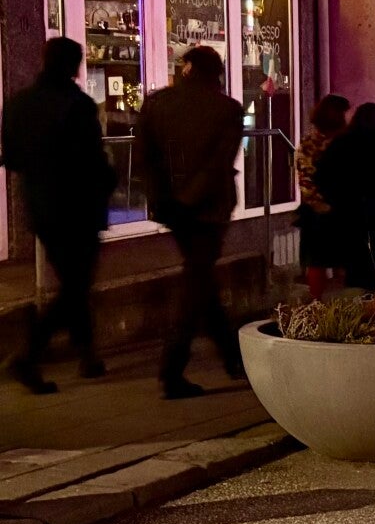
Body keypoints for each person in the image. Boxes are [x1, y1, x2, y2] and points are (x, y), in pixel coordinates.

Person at [0, 37, 117, 393]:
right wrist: (109, 182)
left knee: (75, 284)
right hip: (79, 209)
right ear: (73, 66)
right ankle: (28, 357)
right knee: (75, 286)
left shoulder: (18, 104)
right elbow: (93, 161)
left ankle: (88, 355)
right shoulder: (78, 106)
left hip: (43, 208)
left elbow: (13, 158)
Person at [136, 44, 245, 399]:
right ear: (216, 73)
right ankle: (172, 370)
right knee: (197, 282)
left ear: (186, 70)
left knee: (200, 279)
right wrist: (188, 200)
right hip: (209, 209)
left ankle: (232, 358)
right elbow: (217, 164)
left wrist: (164, 200)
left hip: (174, 209)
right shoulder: (228, 109)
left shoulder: (156, 103)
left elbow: (145, 160)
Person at [317, 101, 375, 291]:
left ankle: (358, 304)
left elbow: (323, 178)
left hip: (349, 216)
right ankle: (369, 303)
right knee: (372, 261)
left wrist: (337, 204)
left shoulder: (342, 143)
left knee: (356, 264)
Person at [294, 93, 352, 300]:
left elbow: (305, 181)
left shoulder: (309, 143)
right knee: (341, 260)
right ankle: (340, 305)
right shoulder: (343, 143)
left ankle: (318, 304)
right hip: (335, 211)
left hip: (320, 212)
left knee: (317, 262)